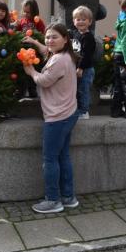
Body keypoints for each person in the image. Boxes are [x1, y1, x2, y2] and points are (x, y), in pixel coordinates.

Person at [22, 24, 80, 213]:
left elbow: (44, 81)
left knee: (50, 159)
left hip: (57, 116)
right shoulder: (66, 56)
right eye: (47, 37)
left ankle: (53, 200)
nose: (49, 41)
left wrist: (30, 70)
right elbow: (46, 49)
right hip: (68, 112)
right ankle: (68, 197)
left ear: (65, 39)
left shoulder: (58, 61)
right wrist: (33, 42)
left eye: (54, 37)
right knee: (63, 156)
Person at [72, 5, 96, 120]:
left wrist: (80, 68)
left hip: (85, 69)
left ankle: (84, 111)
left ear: (90, 21)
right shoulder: (76, 34)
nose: (80, 22)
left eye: (84, 19)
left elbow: (86, 55)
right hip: (77, 69)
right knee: (77, 90)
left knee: (83, 90)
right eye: (78, 19)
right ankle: (78, 109)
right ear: (74, 21)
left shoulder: (88, 37)